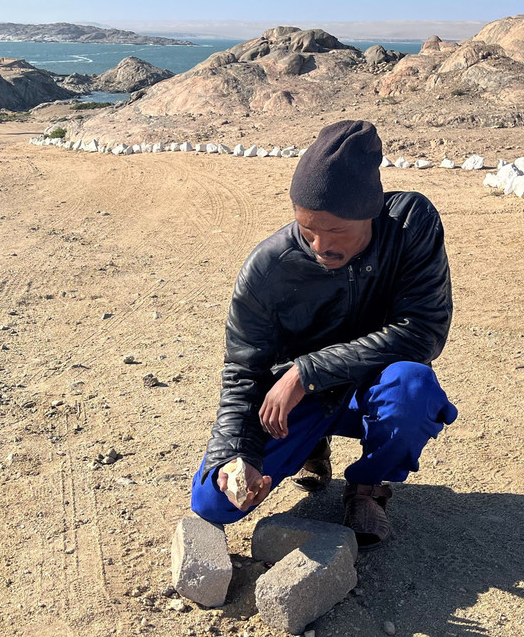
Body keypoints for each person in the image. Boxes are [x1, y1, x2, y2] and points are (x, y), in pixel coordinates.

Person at [189, 120, 458, 547]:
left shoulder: (409, 225)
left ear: (370, 213)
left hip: (369, 387)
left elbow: (423, 330)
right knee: (213, 502)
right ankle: (312, 443)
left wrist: (305, 372)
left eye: (336, 231)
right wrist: (236, 454)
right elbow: (242, 370)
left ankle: (367, 485)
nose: (319, 244)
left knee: (413, 388)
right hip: (300, 402)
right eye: (307, 228)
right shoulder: (267, 267)